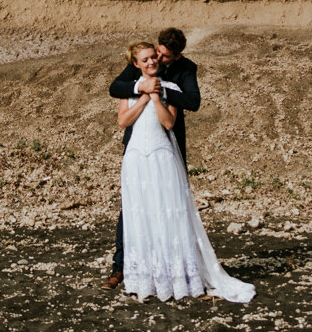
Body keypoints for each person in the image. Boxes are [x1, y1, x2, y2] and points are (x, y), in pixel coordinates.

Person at [108, 39, 253, 302]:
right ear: (136, 64)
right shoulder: (130, 86)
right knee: (137, 211)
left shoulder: (171, 86)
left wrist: (156, 95)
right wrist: (142, 96)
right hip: (136, 157)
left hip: (162, 154)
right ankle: (136, 273)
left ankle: (175, 276)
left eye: (155, 57)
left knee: (167, 209)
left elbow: (168, 122)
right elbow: (122, 121)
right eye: (147, 59)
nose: (153, 61)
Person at [105, 28, 201, 286]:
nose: (157, 59)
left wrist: (161, 91)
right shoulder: (142, 63)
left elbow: (193, 102)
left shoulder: (187, 69)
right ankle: (120, 267)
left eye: (164, 56)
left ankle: (172, 267)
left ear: (177, 56)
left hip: (166, 144)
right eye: (156, 52)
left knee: (169, 205)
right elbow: (115, 88)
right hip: (137, 144)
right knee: (132, 206)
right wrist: (140, 86)